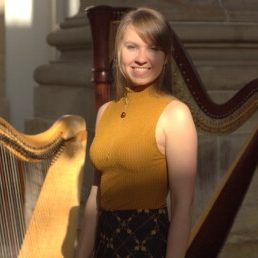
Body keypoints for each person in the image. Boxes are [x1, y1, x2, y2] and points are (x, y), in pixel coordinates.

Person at [76, 7, 197, 258]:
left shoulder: (175, 114)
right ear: (117, 52)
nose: (141, 58)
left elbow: (183, 206)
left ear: (166, 57)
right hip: (103, 248)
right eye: (132, 47)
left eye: (153, 48)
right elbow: (95, 197)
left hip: (146, 248)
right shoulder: (105, 112)